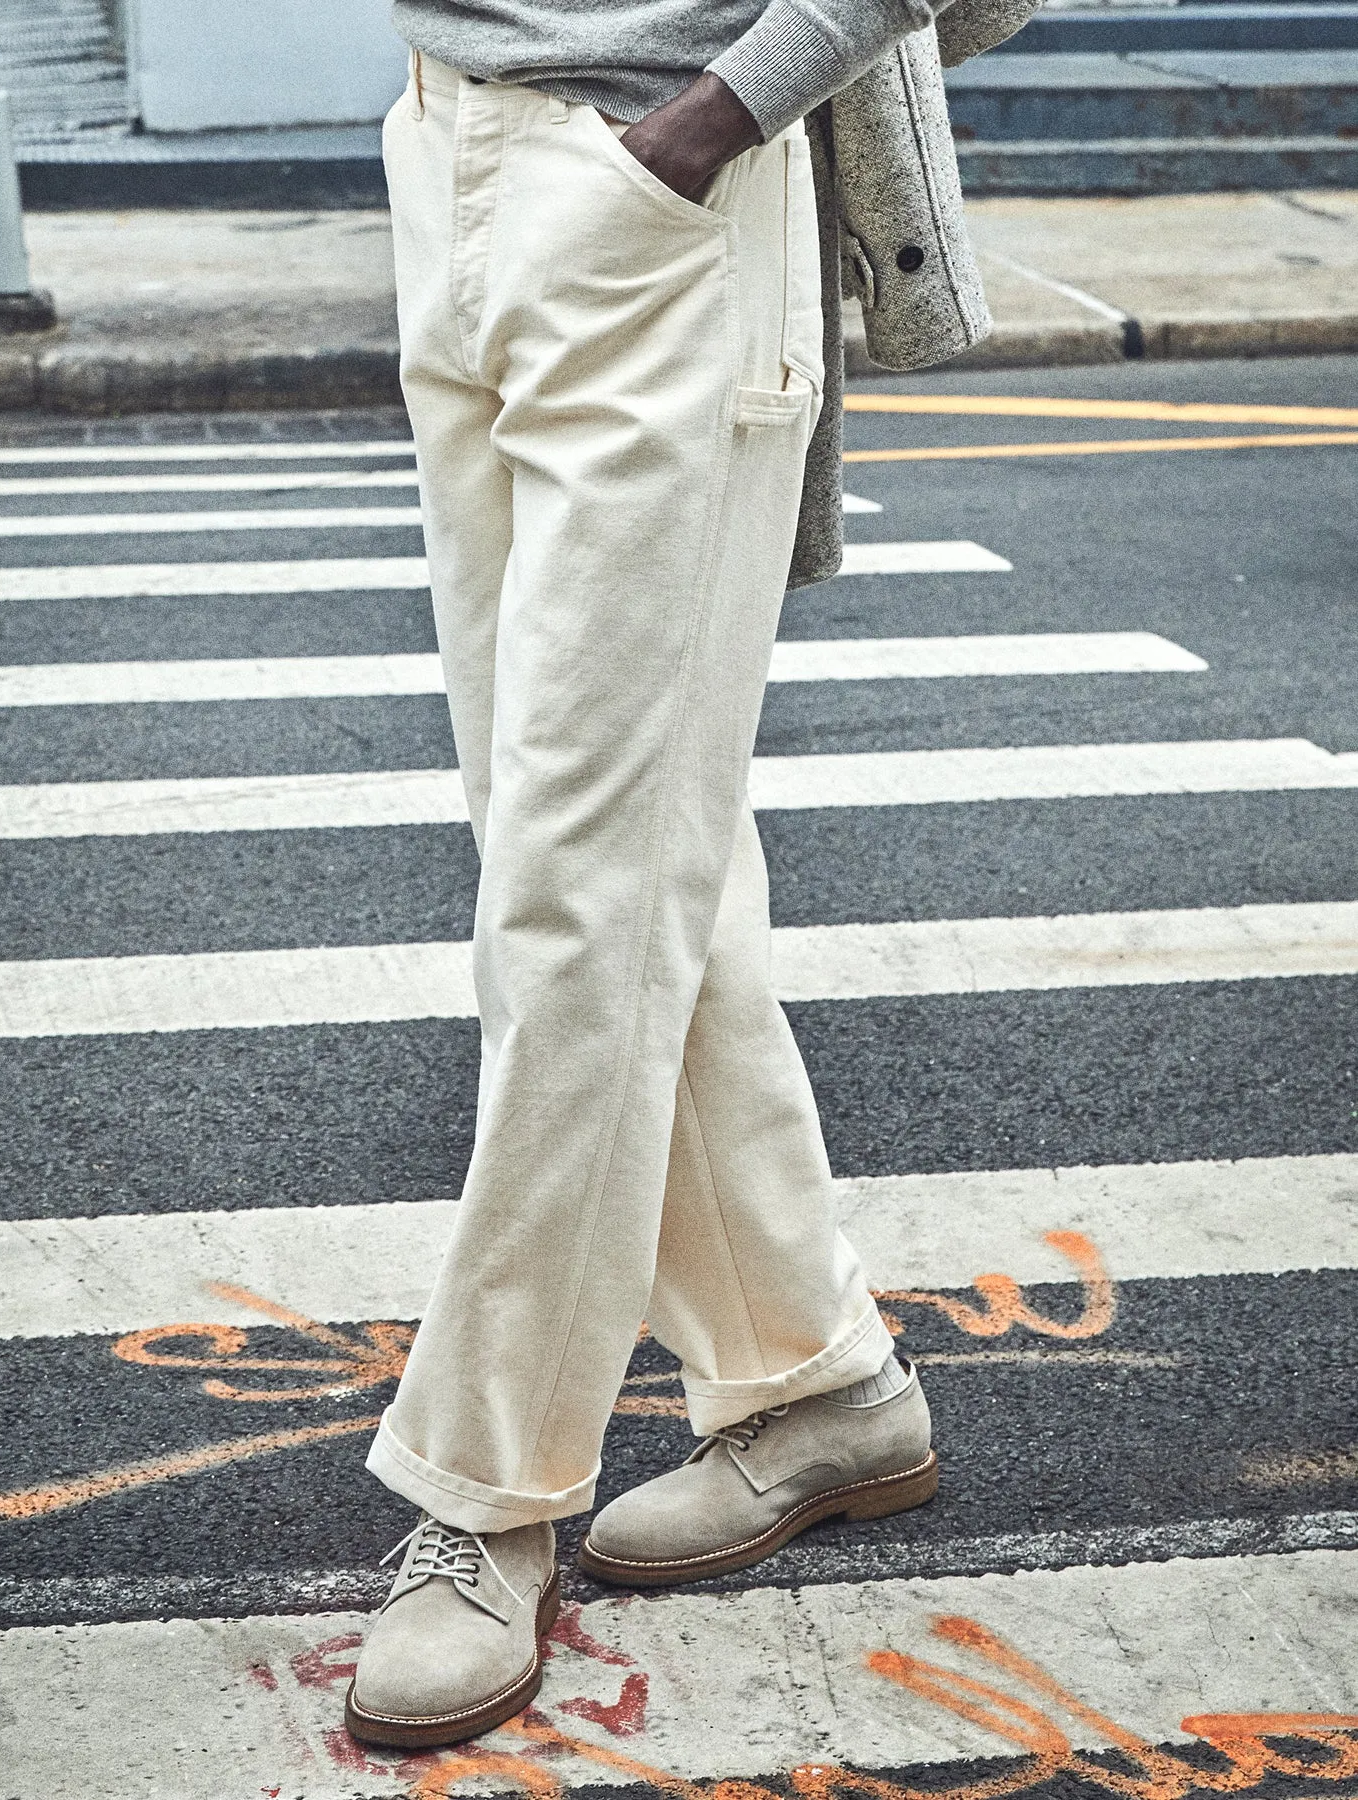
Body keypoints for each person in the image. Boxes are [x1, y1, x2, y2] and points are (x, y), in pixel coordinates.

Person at [345, 0, 949, 1751]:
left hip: (660, 183)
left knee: (583, 896)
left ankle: (488, 1482)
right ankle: (820, 1381)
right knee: (609, 867)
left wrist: (711, 117)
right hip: (450, 146)